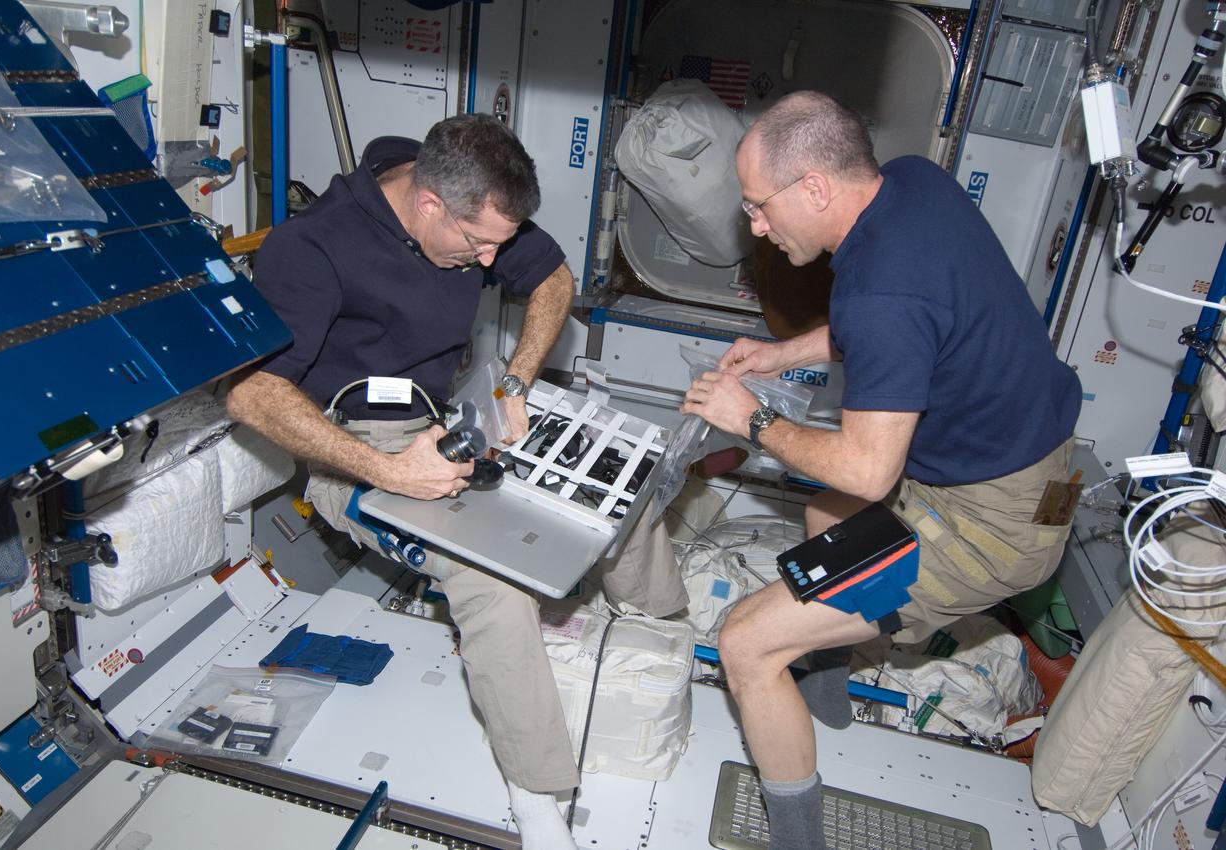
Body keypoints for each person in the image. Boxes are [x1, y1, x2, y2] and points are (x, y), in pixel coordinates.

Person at [228, 114, 688, 850]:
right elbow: (251, 393)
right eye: (477, 247)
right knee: (490, 578)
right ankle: (539, 796)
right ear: (429, 205)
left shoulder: (459, 187)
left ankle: (666, 628)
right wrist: (389, 471)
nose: (487, 260)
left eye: (497, 247)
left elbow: (553, 276)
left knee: (612, 479)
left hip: (448, 415)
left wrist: (515, 382)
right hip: (355, 447)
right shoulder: (309, 250)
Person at [680, 91, 1082, 850]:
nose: (755, 227)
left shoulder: (883, 294)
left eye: (759, 207)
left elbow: (869, 467)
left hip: (995, 528)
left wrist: (754, 418)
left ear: (817, 188)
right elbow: (900, 329)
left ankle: (798, 836)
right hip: (1027, 472)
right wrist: (778, 354)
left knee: (747, 641)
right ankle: (827, 678)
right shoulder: (908, 185)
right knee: (826, 517)